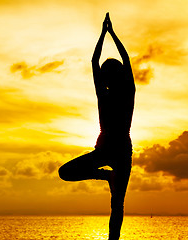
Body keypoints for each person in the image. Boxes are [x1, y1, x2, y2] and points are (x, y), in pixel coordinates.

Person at [58, 13, 135, 240]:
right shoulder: (109, 94)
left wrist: (108, 33)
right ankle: (105, 177)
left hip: (121, 153)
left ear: (112, 77)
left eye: (106, 75)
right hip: (104, 151)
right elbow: (99, 63)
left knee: (117, 204)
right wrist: (107, 33)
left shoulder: (126, 93)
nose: (104, 78)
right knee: (65, 172)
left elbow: (123, 61)